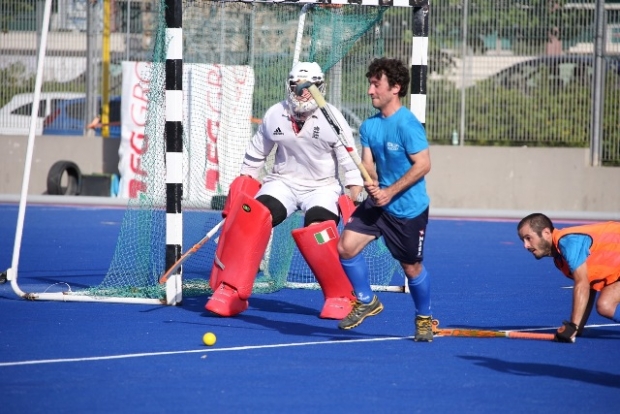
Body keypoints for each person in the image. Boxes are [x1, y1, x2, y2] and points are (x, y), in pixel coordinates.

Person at [205, 61, 364, 320]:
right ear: (288, 86)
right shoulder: (274, 114)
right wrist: (242, 193)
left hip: (321, 187)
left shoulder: (332, 119)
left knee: (318, 231)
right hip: (282, 182)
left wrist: (352, 196)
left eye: (308, 87)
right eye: (296, 86)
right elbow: (255, 158)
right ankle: (231, 290)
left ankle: (340, 295)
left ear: (320, 87)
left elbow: (351, 167)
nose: (302, 92)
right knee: (252, 218)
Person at [336, 57, 434, 342]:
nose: (370, 91)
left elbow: (424, 164)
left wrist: (390, 191)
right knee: (345, 247)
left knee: (411, 267)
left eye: (376, 84)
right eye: (370, 84)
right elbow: (369, 165)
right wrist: (367, 184)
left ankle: (424, 317)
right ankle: (367, 300)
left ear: (395, 88)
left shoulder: (408, 125)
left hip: (408, 209)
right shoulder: (369, 126)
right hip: (378, 205)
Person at [517, 213, 620, 343]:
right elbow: (588, 286)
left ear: (546, 233)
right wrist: (577, 327)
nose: (525, 245)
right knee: (606, 304)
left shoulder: (568, 243)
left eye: (528, 238)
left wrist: (573, 326)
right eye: (523, 240)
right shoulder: (559, 259)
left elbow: (582, 285)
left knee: (606, 305)